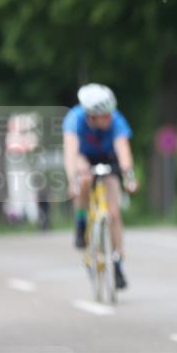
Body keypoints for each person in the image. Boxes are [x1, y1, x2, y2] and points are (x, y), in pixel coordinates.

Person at [62, 84, 138, 288]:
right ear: (91, 117)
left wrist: (129, 177)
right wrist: (72, 180)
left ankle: (118, 264)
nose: (109, 118)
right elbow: (70, 153)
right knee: (84, 178)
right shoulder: (75, 119)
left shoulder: (116, 119)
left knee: (114, 213)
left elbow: (123, 151)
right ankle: (80, 221)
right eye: (104, 116)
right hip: (84, 157)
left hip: (107, 158)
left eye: (109, 114)